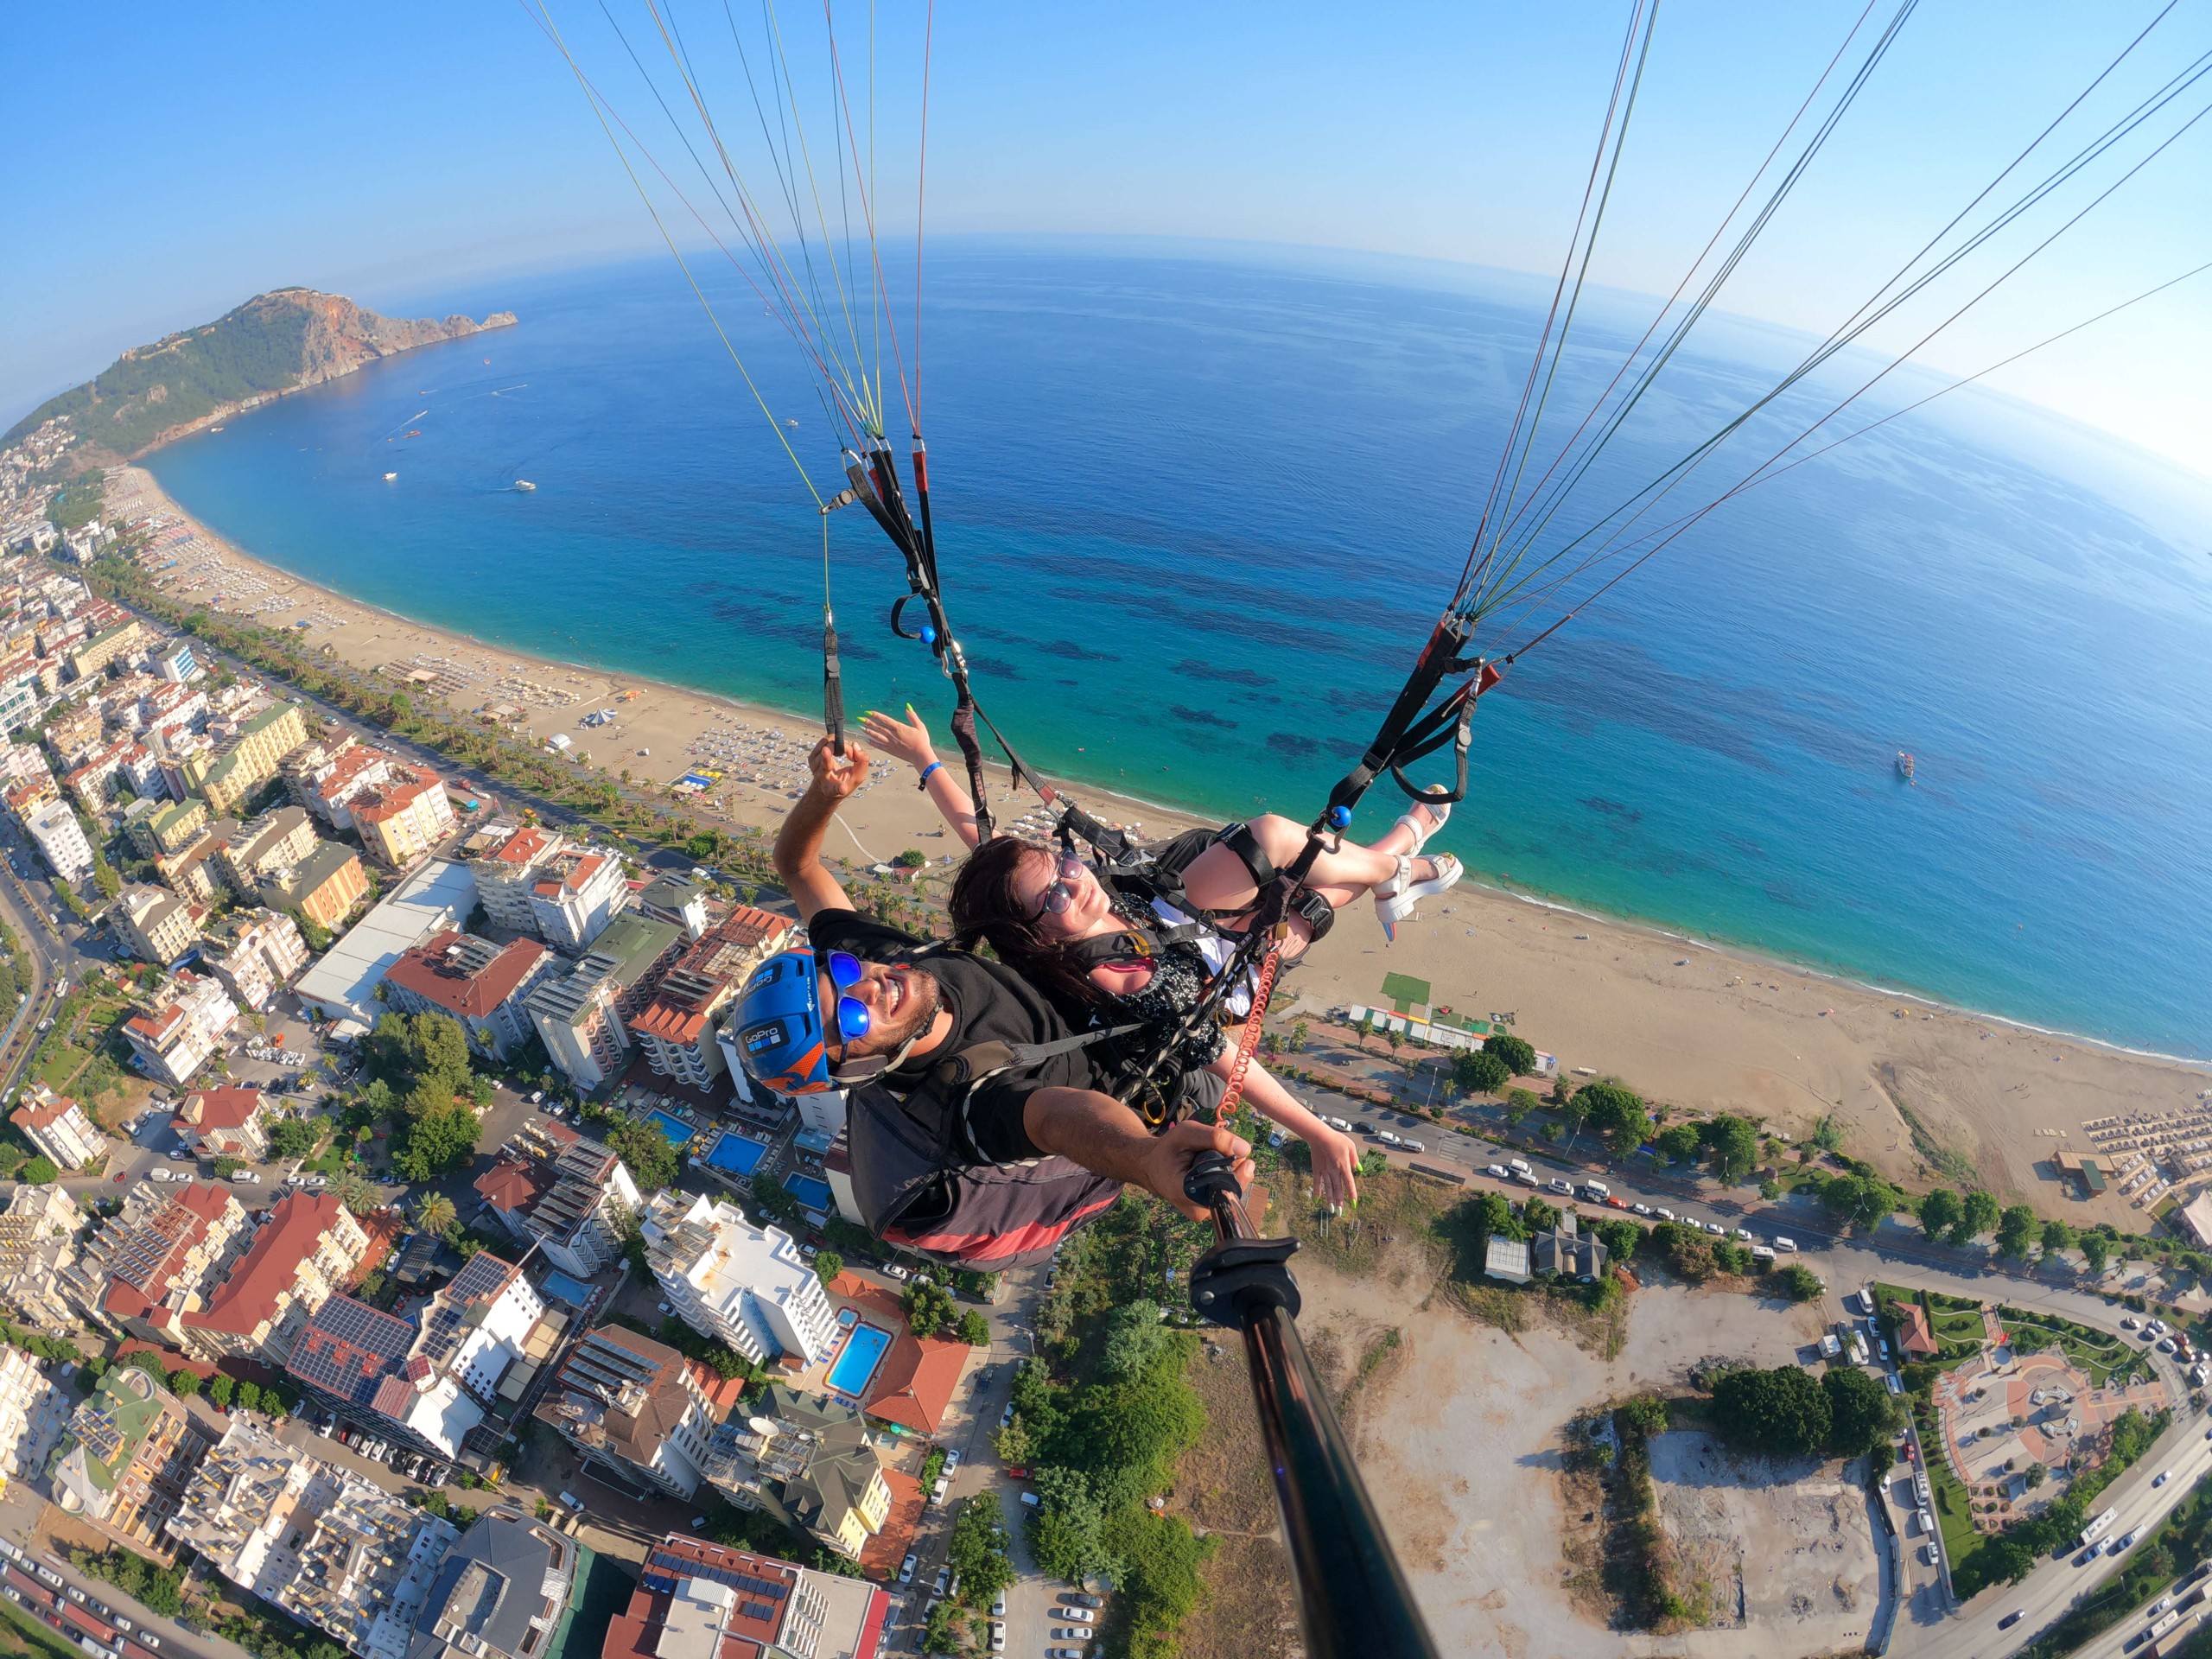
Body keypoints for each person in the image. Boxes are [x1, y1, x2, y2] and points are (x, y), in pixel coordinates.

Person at [731, 735, 1256, 1268]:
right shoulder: (965, 1100)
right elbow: (1054, 1120)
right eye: (850, 1015)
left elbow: (796, 867)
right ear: (859, 1065)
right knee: (1284, 922)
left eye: (841, 971)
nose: (867, 986)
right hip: (1153, 1075)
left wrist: (825, 796)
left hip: (1086, 1002)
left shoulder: (887, 964)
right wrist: (1147, 1159)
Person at [947, 833, 1365, 1207]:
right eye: (1056, 896)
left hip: (1189, 951)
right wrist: (1318, 1133)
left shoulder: (1077, 914)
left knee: (1272, 842)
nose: (1077, 883)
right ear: (1037, 936)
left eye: (1067, 864)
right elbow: (1231, 1065)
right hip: (1213, 1038)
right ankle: (1407, 859)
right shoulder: (1128, 980)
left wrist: (928, 760)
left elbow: (999, 855)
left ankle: (1402, 863)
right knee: (1312, 902)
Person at [860, 705, 1462, 944]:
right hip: (1190, 945)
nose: (1071, 873)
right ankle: (1397, 862)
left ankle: (1395, 858)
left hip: (1163, 899)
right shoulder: (1064, 950)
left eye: (1063, 866)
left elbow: (981, 835)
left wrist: (927, 759)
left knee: (1313, 884)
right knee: (1285, 853)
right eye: (1056, 887)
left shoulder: (1055, 897)